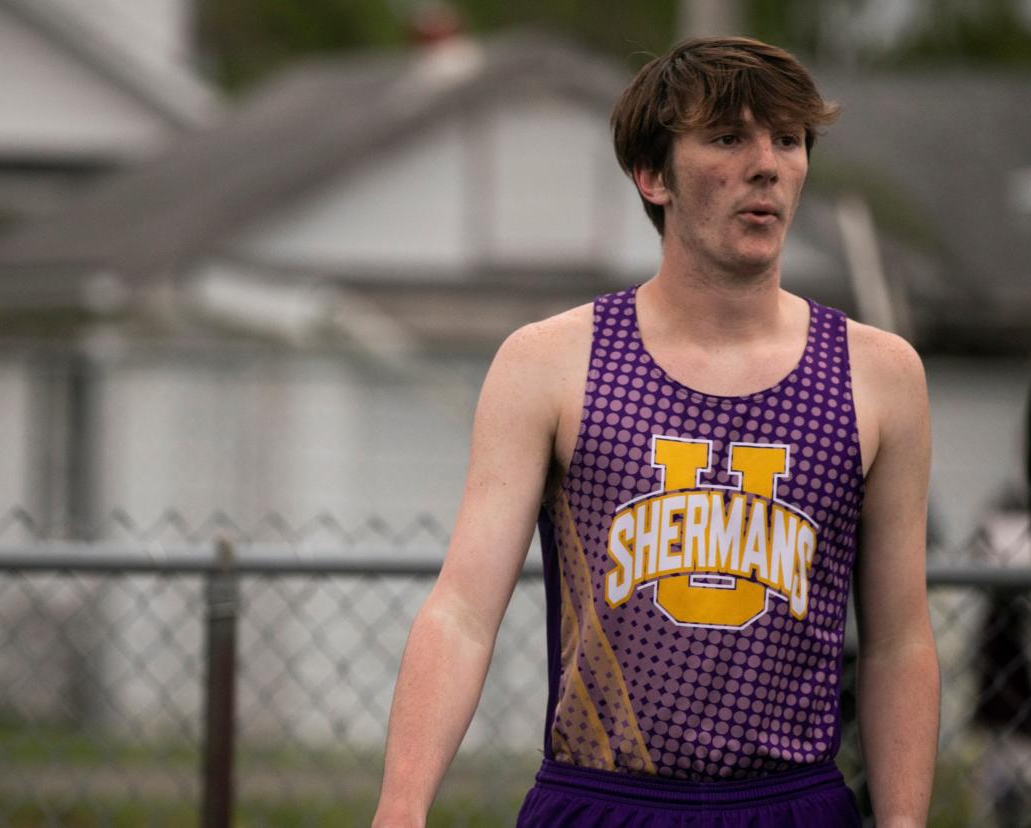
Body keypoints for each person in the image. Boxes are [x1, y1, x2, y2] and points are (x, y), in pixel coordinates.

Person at [372, 35, 938, 828]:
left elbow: (898, 642)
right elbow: (463, 610)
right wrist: (399, 809)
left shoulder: (879, 375)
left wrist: (905, 822)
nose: (768, 163)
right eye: (729, 137)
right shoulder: (551, 362)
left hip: (791, 803)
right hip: (603, 800)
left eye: (787, 139)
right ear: (652, 174)